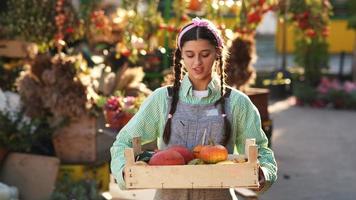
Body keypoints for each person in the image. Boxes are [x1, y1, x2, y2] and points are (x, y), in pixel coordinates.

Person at [110, 17, 277, 200]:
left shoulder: (237, 103)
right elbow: (122, 143)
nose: (197, 62)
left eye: (205, 54)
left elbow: (261, 150)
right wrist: (124, 172)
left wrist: (263, 173)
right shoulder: (162, 100)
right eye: (189, 55)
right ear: (181, 56)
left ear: (217, 53)